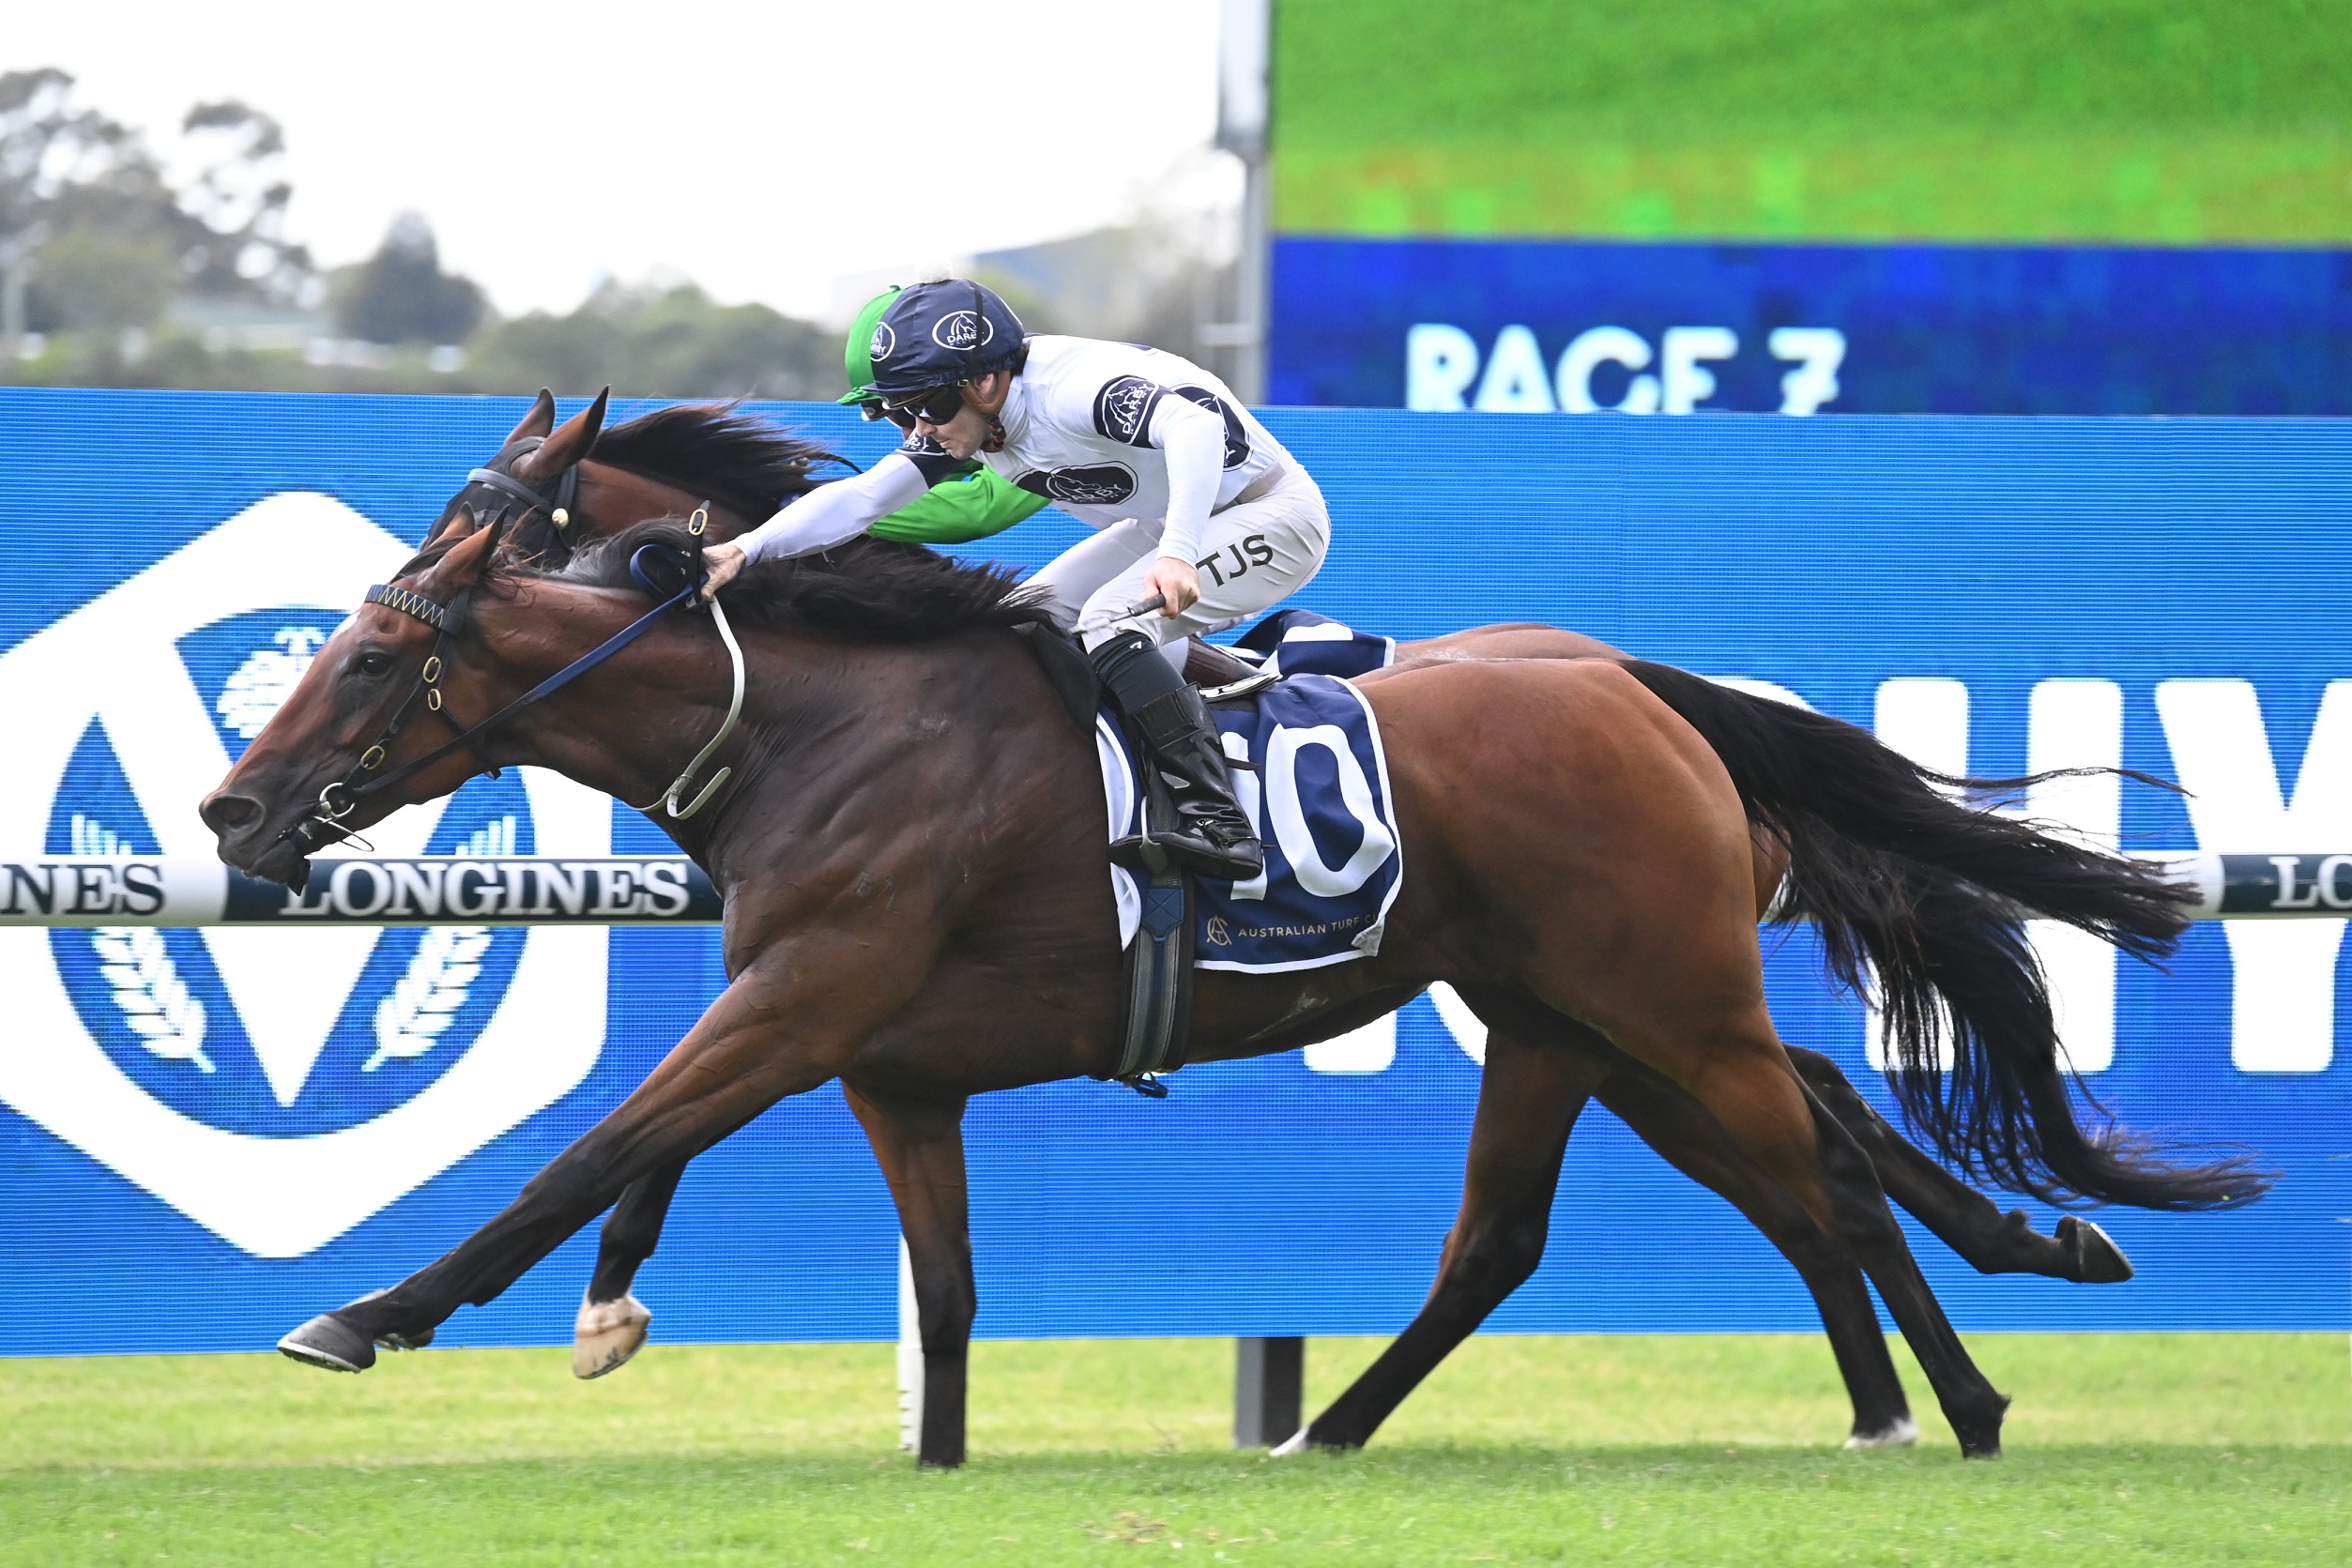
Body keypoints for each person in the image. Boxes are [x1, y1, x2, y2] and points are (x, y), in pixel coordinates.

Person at [702, 279, 1332, 879]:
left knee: (1110, 620)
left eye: (927, 406)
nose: (917, 429)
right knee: (1035, 616)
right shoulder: (968, 410)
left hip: (1275, 514)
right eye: (899, 413)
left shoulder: (1068, 391)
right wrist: (743, 550)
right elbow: (864, 499)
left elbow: (1195, 426)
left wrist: (1180, 552)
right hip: (1176, 517)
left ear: (983, 380)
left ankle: (1222, 822)